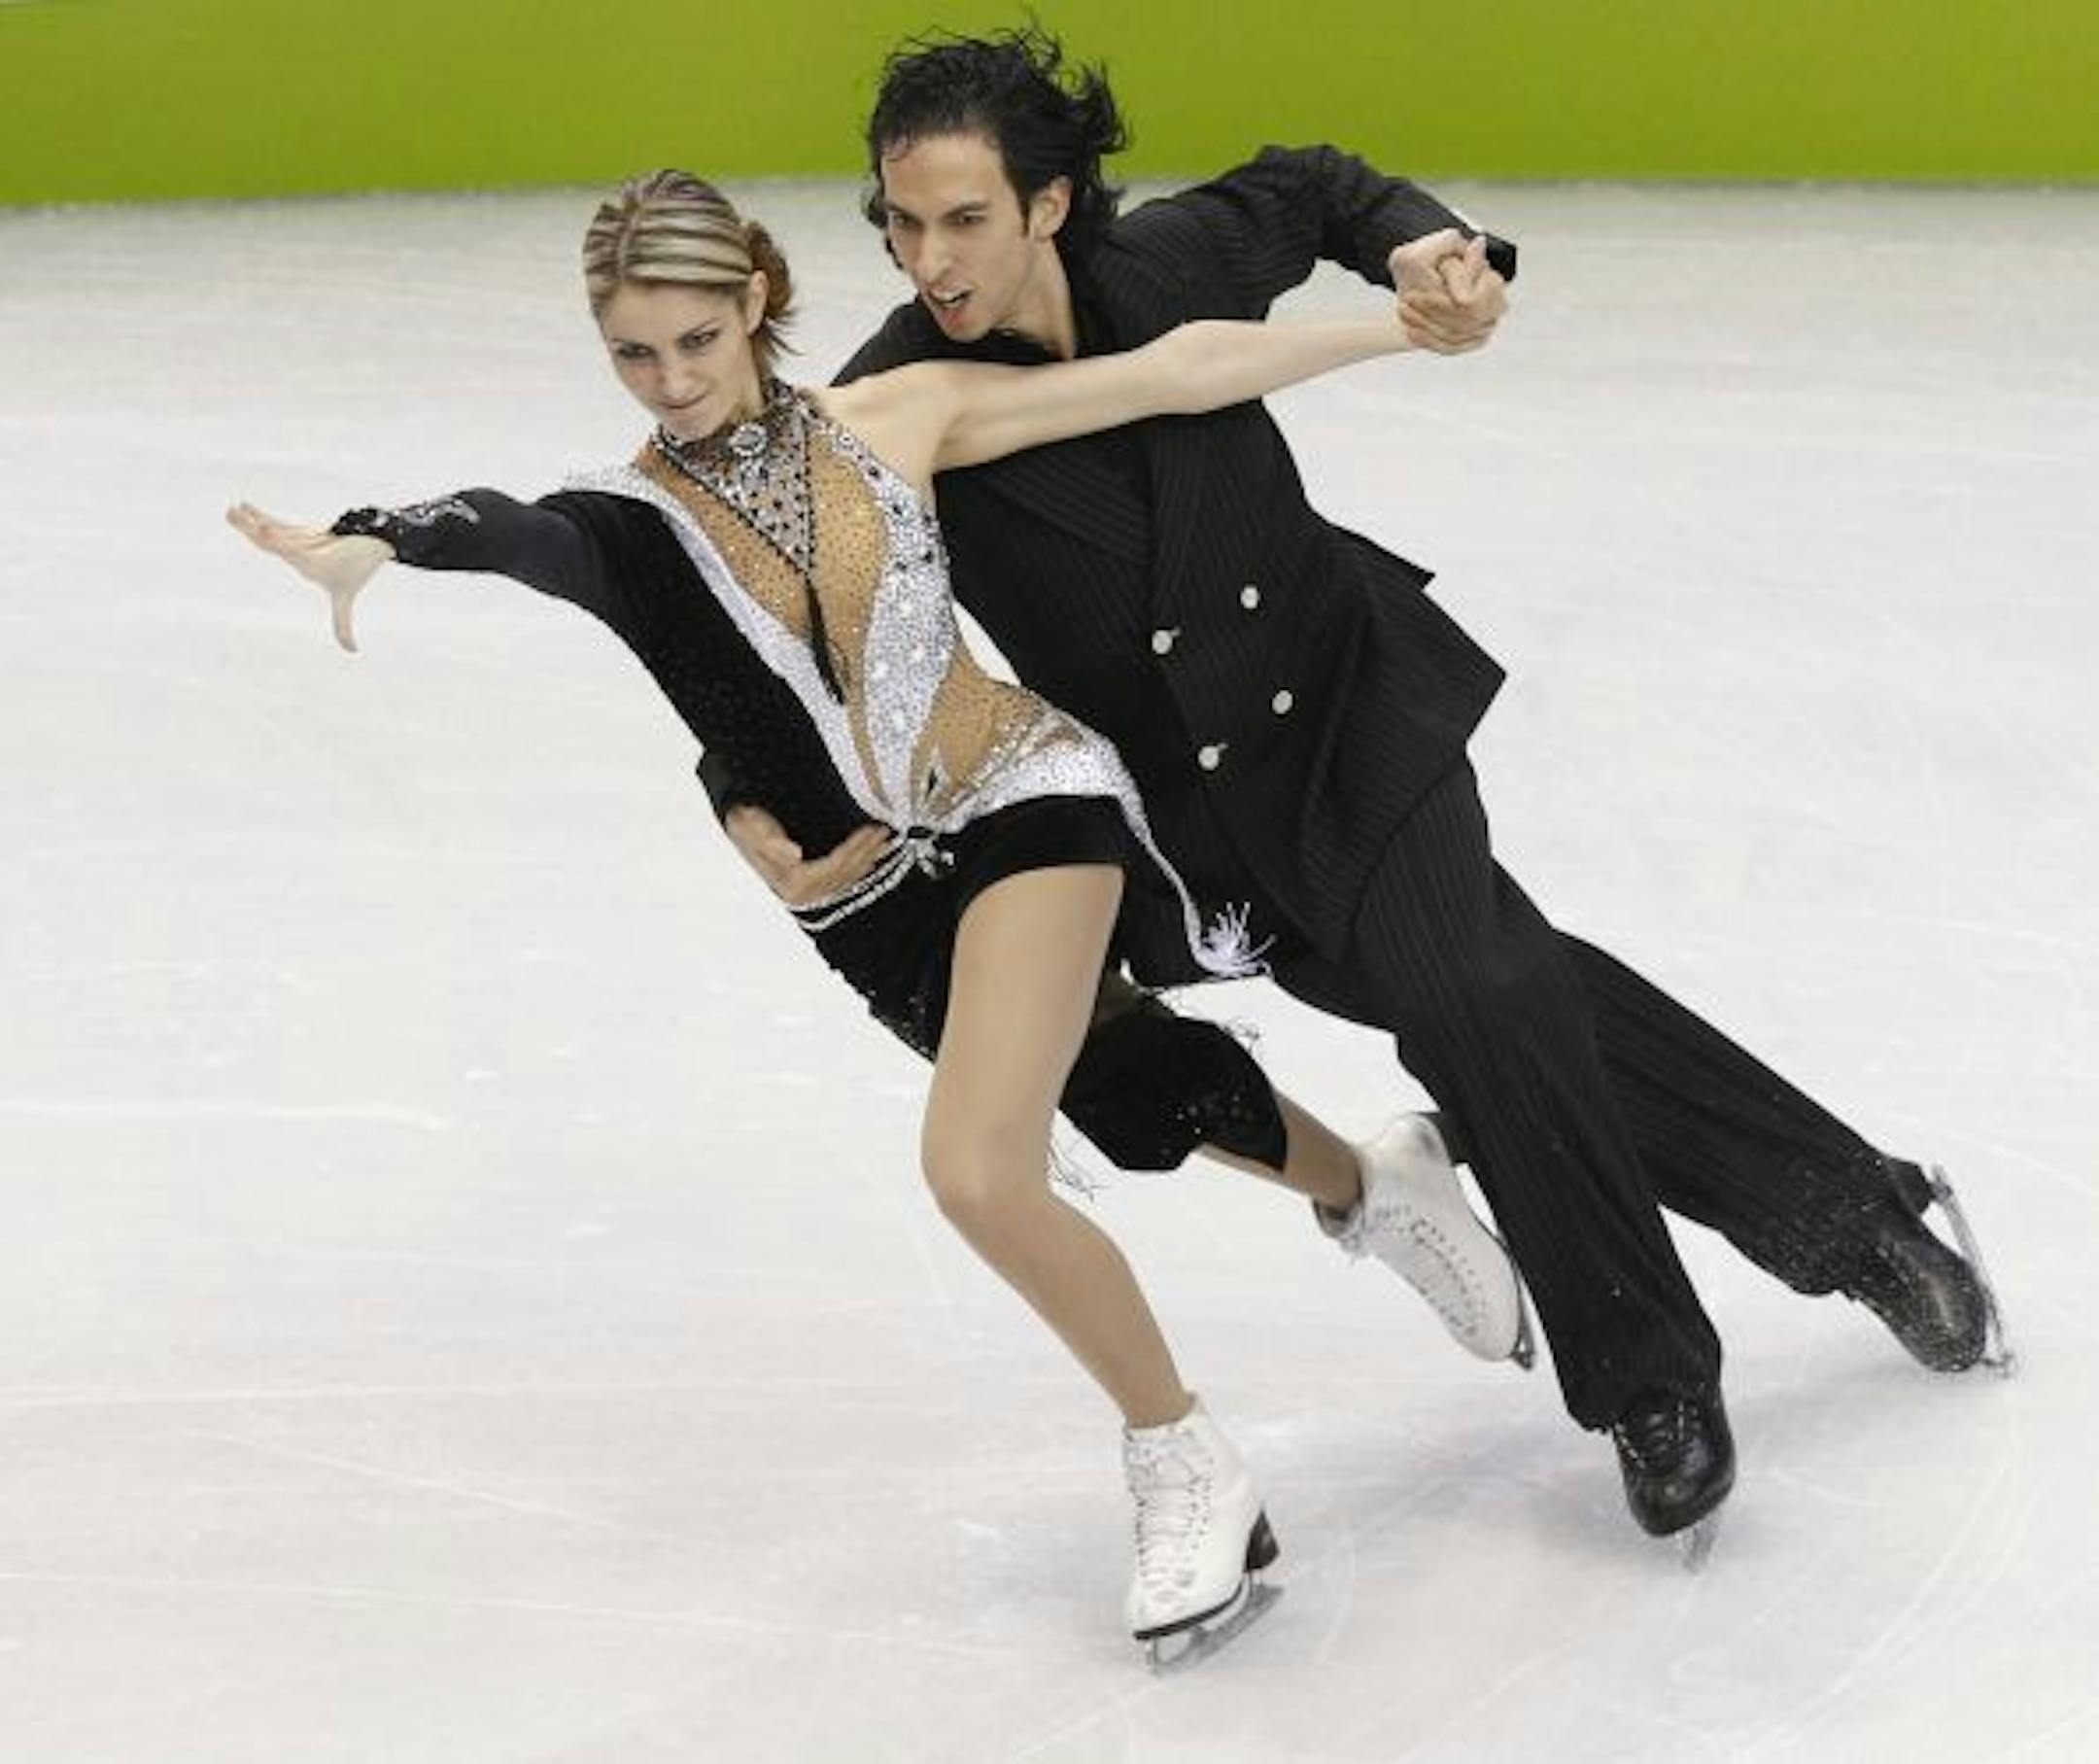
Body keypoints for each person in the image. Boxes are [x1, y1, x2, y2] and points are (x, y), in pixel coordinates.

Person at [698, 28, 2013, 1557]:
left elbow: (1320, 186)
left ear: (1051, 203)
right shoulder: (894, 401)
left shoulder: (1171, 265)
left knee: (1477, 987)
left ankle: (1649, 1381)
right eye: (902, 223)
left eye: (966, 218)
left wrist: (1435, 248)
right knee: (1511, 998)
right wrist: (752, 801)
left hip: (1348, 713)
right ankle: (1859, 1214)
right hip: (1199, 836)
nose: (931, 257)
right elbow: (775, 623)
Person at [227, 168, 1532, 1663]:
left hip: (1027, 796)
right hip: (869, 894)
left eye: (697, 342)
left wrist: (1389, 335)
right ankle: (1374, 1184)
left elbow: (1165, 375)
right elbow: (522, 529)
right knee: (1124, 1087)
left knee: (979, 1171)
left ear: (757, 309)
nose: (671, 381)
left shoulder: (890, 418)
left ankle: (1186, 1463)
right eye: (635, 355)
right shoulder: (634, 529)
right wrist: (383, 535)